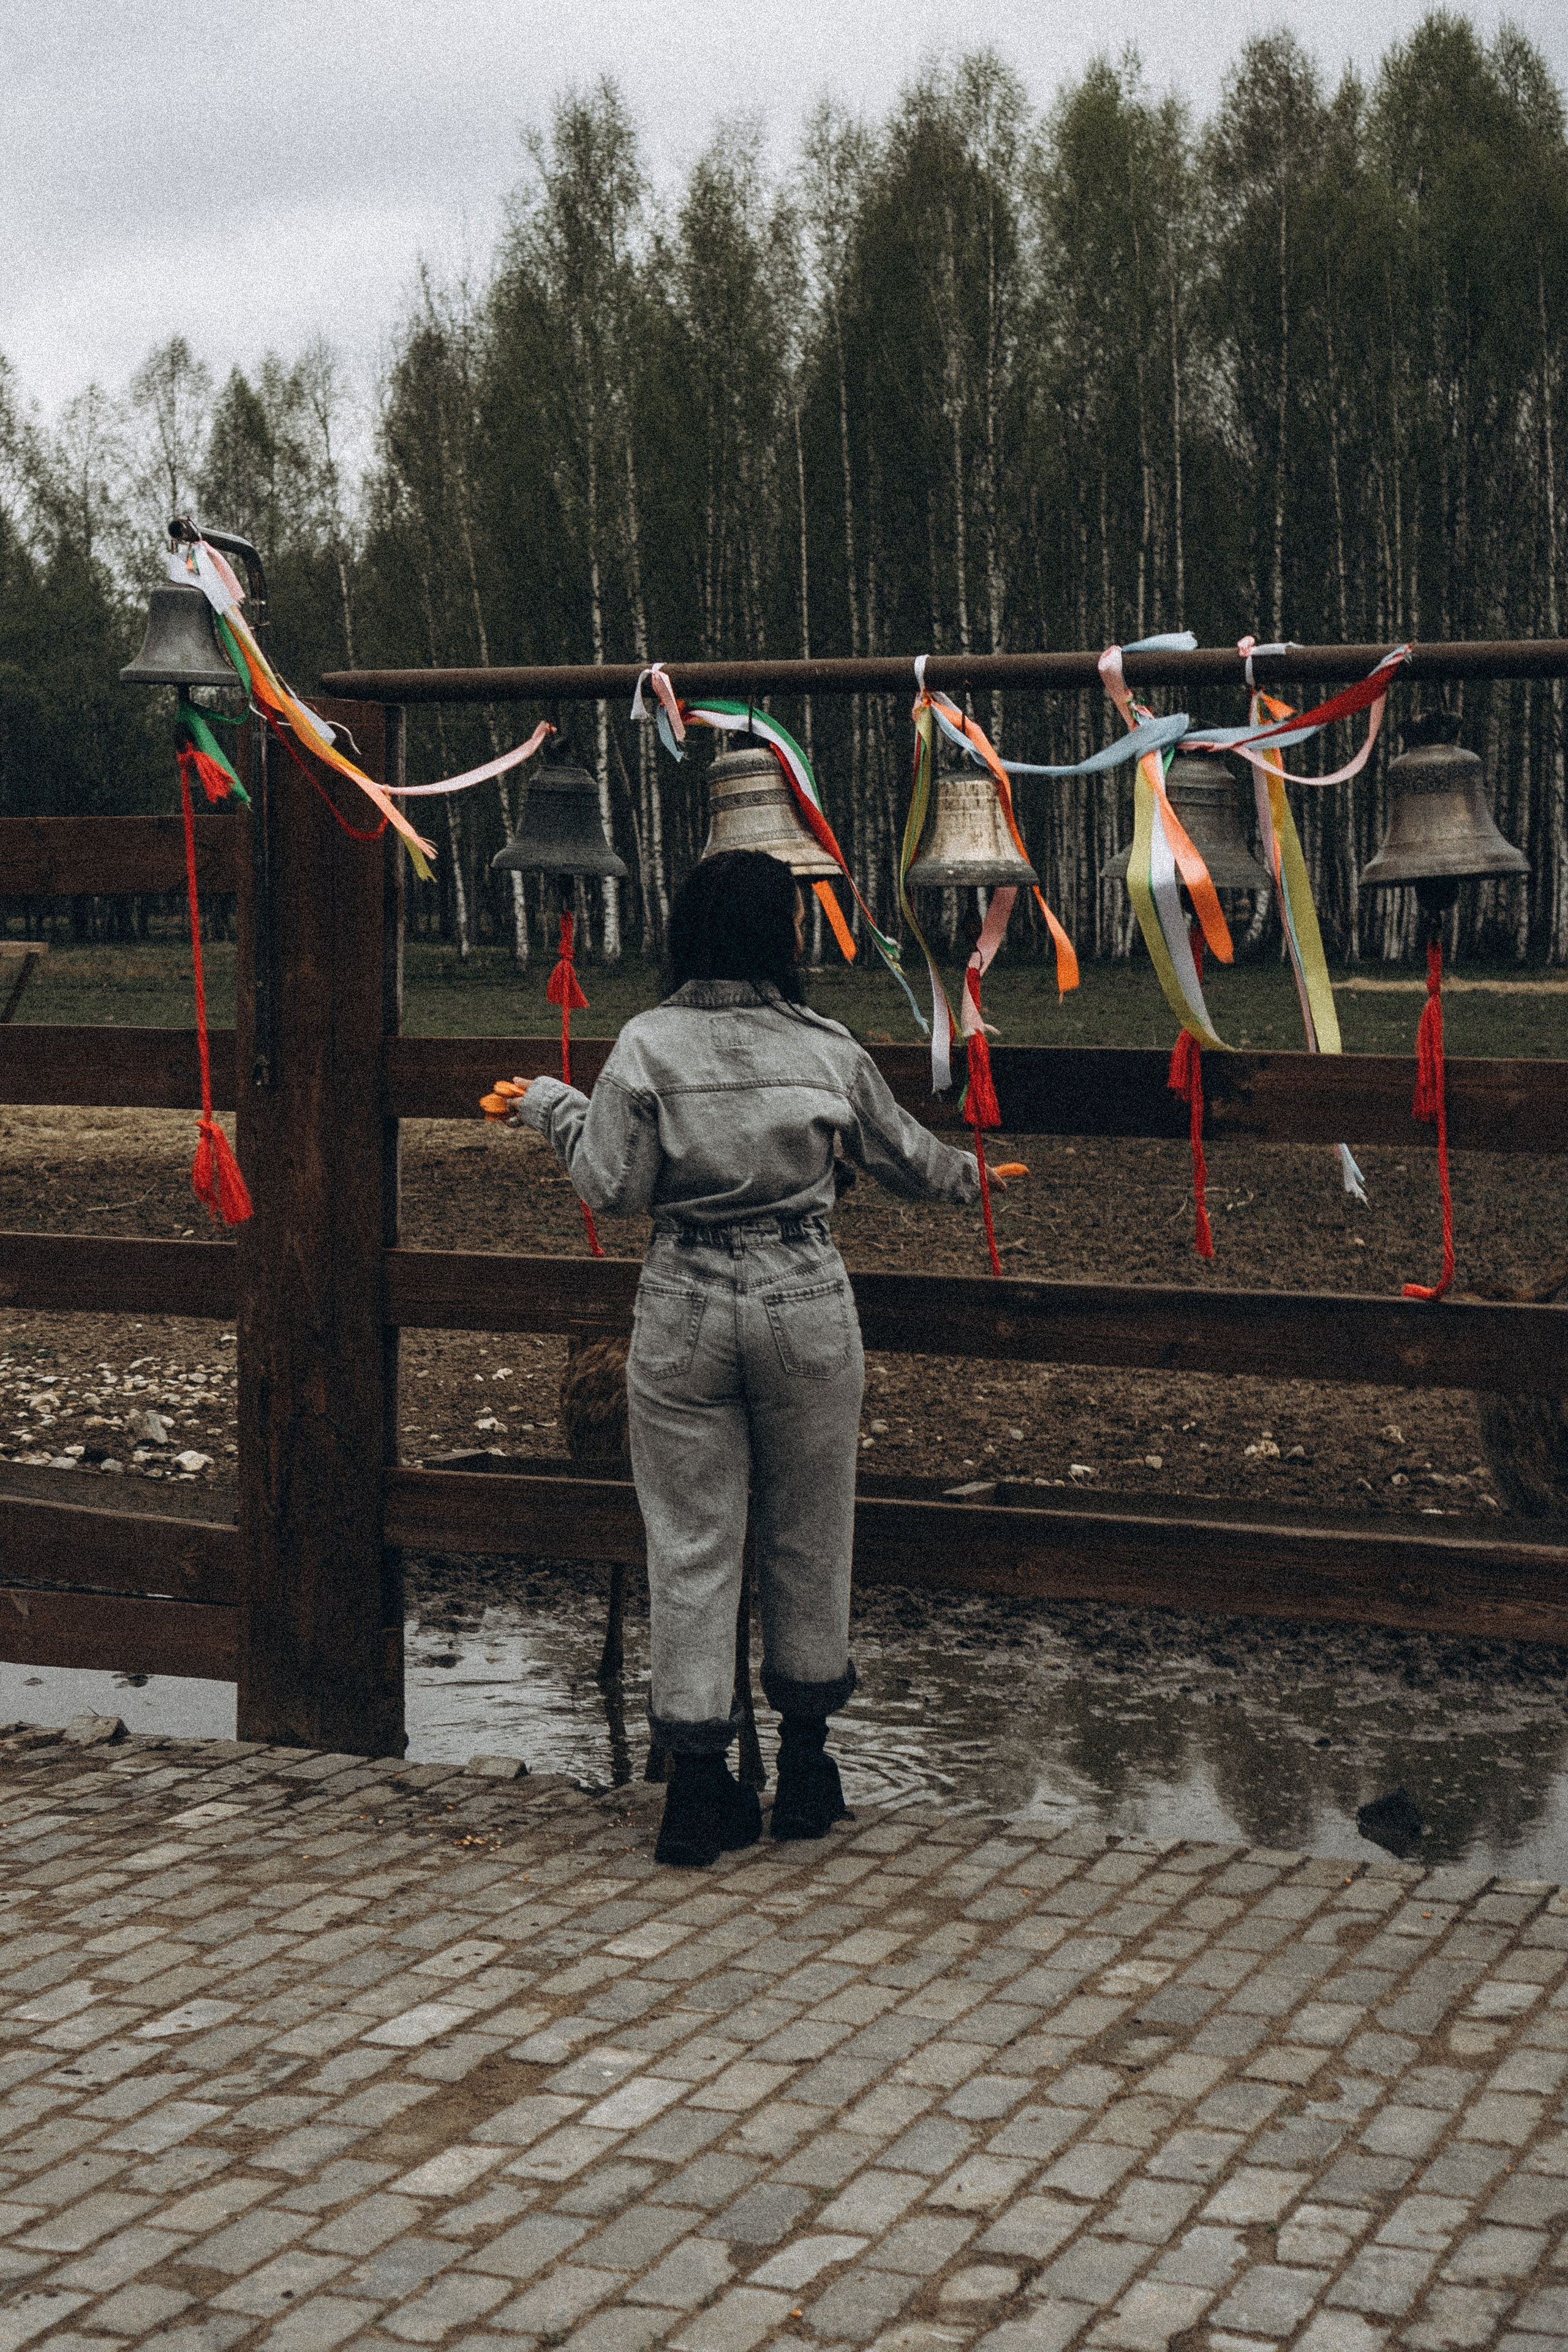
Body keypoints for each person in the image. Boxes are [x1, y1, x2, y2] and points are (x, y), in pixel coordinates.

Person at [511, 848, 986, 1868]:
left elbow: (612, 1188)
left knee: (691, 1544)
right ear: (784, 937)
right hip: (805, 1299)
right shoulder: (825, 1045)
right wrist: (974, 1180)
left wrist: (552, 1108)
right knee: (812, 1533)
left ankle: (696, 1792)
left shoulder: (646, 1044)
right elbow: (903, 1156)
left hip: (683, 1300)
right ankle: (809, 1772)